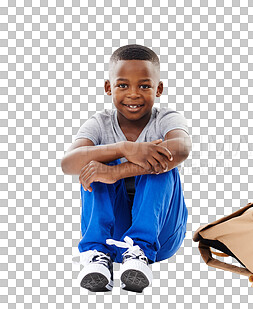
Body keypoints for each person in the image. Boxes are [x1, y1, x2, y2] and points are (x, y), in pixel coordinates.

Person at [61, 44, 191, 293]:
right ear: (109, 87)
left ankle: (139, 251)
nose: (134, 94)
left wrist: (117, 172)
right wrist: (123, 149)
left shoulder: (165, 119)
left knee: (162, 159)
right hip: (113, 234)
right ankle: (97, 254)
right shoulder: (100, 123)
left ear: (158, 89)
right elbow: (69, 163)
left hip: (161, 236)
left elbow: (182, 148)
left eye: (144, 86)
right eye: (123, 85)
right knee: (94, 164)